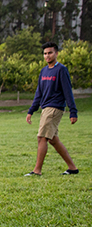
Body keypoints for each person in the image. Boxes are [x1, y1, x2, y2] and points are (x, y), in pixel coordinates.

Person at [25, 42, 78, 176]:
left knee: (42, 137)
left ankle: (37, 171)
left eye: (50, 53)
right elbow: (39, 93)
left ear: (56, 53)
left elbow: (68, 91)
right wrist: (31, 110)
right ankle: (72, 168)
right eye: (45, 53)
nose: (47, 56)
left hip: (55, 107)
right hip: (45, 108)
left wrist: (73, 111)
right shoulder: (44, 71)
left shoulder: (61, 69)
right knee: (53, 139)